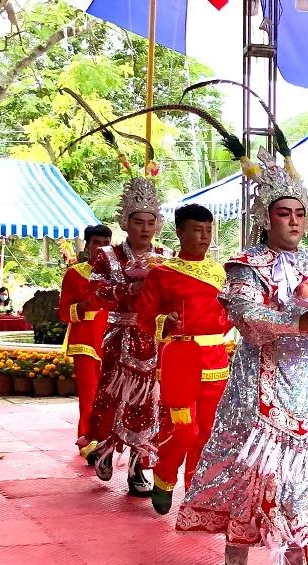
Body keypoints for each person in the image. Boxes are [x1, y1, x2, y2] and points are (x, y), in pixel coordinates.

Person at [177, 146, 308, 565]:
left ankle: (297, 561)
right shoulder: (245, 265)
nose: (295, 221)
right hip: (258, 384)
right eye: (285, 213)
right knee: (255, 468)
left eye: (301, 213)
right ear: (267, 217)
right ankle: (239, 533)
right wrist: (298, 321)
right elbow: (244, 314)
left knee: (307, 474)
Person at [135, 204, 231, 515]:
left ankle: (196, 494)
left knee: (207, 433)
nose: (204, 237)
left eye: (208, 230)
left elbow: (229, 316)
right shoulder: (162, 273)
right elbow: (145, 319)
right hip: (181, 358)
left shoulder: (222, 273)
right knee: (182, 429)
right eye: (197, 230)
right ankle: (164, 478)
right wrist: (167, 320)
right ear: (180, 232)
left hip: (216, 360)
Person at [87, 178, 168, 496]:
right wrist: (127, 290)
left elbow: (173, 295)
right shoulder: (107, 256)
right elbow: (94, 295)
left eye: (151, 222)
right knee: (113, 398)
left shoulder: (165, 256)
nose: (145, 229)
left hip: (154, 338)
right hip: (120, 338)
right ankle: (106, 449)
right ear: (125, 222)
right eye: (138, 222)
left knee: (150, 404)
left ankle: (138, 467)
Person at [58, 224, 112, 462]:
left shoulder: (118, 272)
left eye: (106, 243)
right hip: (85, 339)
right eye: (96, 243)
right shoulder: (75, 273)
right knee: (89, 393)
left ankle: (109, 441)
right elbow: (63, 312)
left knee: (112, 394)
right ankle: (88, 441)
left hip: (112, 337)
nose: (101, 249)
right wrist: (83, 306)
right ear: (87, 245)